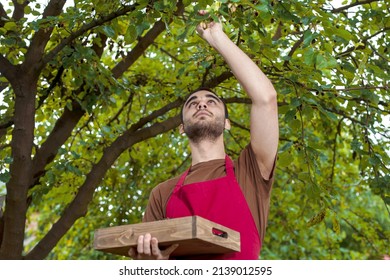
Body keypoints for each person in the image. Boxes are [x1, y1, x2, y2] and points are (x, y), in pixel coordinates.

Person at [128, 11, 279, 260]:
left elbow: (266, 99)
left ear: (227, 124)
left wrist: (217, 37)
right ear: (181, 128)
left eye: (212, 101)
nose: (201, 105)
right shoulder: (161, 194)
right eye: (192, 103)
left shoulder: (251, 171)